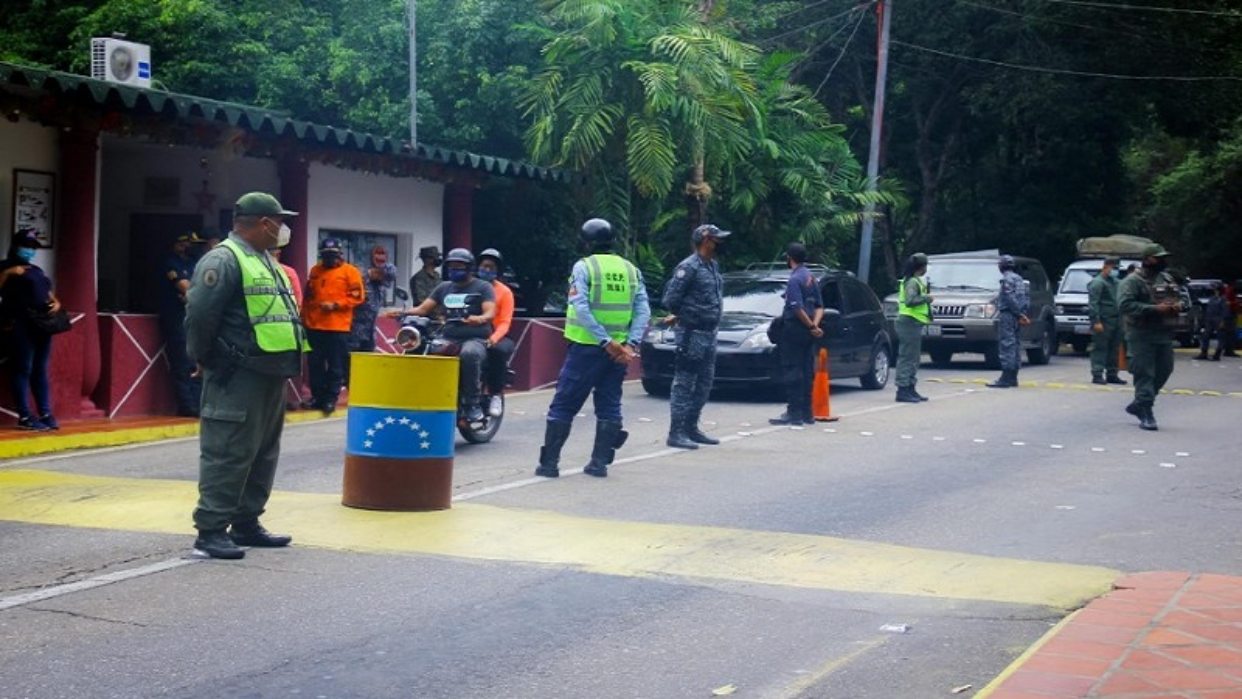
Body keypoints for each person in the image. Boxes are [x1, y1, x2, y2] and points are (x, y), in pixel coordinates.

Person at [185, 192, 306, 559]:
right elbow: (200, 316)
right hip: (236, 373)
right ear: (264, 223)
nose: (283, 229)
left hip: (269, 372)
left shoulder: (264, 259)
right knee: (228, 451)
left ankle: (246, 522)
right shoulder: (223, 259)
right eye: (280, 222)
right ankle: (211, 530)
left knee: (262, 452)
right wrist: (204, 357)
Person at [535, 218, 651, 478]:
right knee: (609, 405)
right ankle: (599, 464)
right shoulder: (630, 269)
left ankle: (549, 464)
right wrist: (629, 344)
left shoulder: (584, 266)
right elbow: (643, 310)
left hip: (586, 349)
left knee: (564, 405)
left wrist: (604, 341)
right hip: (619, 353)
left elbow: (580, 306)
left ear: (586, 243)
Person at [397, 248, 496, 422]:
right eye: (451, 266)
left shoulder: (483, 287)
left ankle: (472, 403)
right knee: (425, 350)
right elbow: (423, 309)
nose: (454, 269)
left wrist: (480, 318)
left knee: (469, 354)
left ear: (469, 268)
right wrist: (400, 312)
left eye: (459, 266)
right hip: (448, 336)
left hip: (475, 338)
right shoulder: (444, 287)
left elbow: (490, 311)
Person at [662, 224, 730, 448]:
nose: (720, 243)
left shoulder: (712, 265)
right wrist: (686, 315)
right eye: (716, 239)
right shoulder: (689, 267)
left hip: (710, 333)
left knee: (704, 383)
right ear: (706, 240)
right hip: (692, 333)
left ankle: (691, 428)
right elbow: (671, 299)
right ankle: (676, 432)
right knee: (685, 383)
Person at [0, 230, 61, 431]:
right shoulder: (5, 267)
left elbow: (49, 293)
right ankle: (25, 415)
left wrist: (56, 303)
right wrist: (8, 273)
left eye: (33, 247)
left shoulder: (36, 269)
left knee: (40, 369)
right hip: (19, 324)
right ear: (16, 246)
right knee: (22, 368)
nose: (29, 250)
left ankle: (45, 413)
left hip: (41, 324)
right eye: (26, 246)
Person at [1118, 243, 1181, 431]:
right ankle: (1146, 410)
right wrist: (1155, 309)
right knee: (1144, 372)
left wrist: (1178, 305)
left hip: (1163, 332)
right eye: (1158, 258)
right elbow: (1125, 305)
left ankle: (1139, 403)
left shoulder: (1166, 278)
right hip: (1141, 333)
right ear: (1147, 259)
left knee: (1165, 369)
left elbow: (1181, 297)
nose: (1162, 261)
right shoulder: (1132, 281)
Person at [302, 238, 364, 415]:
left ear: (340, 255)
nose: (329, 259)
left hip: (337, 327)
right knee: (315, 364)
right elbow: (309, 296)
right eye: (326, 255)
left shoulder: (350, 272)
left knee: (336, 365)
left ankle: (330, 399)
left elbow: (357, 296)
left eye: (333, 255)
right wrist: (304, 317)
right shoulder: (315, 271)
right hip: (314, 326)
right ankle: (317, 397)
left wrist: (336, 305)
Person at [770, 242, 824, 425]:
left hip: (795, 329)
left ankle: (794, 413)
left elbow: (797, 308)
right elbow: (819, 306)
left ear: (790, 258)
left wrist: (810, 326)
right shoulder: (810, 277)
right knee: (807, 370)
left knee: (793, 369)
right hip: (808, 331)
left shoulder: (795, 280)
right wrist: (815, 326)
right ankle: (807, 413)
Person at [159, 233, 204, 416]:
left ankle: (198, 403)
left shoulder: (194, 263)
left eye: (188, 243)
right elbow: (185, 287)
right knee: (182, 362)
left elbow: (203, 289)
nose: (186, 246)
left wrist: (194, 294)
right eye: (182, 243)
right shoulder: (171, 262)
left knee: (196, 361)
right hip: (176, 317)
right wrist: (194, 293)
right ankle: (187, 405)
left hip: (193, 316)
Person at [477, 248, 515, 418]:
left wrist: (493, 338)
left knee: (497, 351)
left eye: (490, 267)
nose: (486, 269)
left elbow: (505, 322)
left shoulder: (505, 292)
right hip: (471, 333)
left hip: (496, 335)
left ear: (497, 270)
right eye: (483, 266)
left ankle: (495, 395)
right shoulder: (470, 287)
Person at [894, 253, 933, 403]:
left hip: (913, 322)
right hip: (909, 322)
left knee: (914, 357)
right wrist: (927, 298)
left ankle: (910, 387)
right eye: (925, 266)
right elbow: (910, 301)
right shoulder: (912, 282)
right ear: (921, 267)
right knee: (907, 357)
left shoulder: (915, 280)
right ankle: (903, 389)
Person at [987, 254, 1030, 388]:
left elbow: (1009, 297)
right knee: (1015, 345)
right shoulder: (1019, 279)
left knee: (1007, 345)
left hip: (1008, 314)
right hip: (1017, 315)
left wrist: (1017, 313)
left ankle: (1006, 378)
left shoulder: (1006, 279)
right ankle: (1013, 377)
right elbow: (1025, 297)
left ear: (1001, 266)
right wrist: (1022, 314)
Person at [1087, 257, 1127, 385]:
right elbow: (1094, 303)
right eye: (1113, 268)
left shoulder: (1115, 282)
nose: (1115, 271)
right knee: (1100, 347)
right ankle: (1097, 373)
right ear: (1105, 267)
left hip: (1117, 319)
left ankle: (1112, 374)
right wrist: (1096, 321)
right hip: (1104, 320)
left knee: (1114, 348)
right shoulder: (1097, 283)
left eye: (1116, 268)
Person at [350, 245, 396, 353]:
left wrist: (381, 266)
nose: (381, 276)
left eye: (383, 256)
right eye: (377, 255)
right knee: (352, 358)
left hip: (370, 331)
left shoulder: (381, 281)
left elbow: (391, 273)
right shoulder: (358, 274)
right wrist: (368, 274)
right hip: (354, 330)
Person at [1195, 284, 1228, 361]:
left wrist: (1223, 321)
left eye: (1216, 290)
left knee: (1220, 337)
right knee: (1205, 336)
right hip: (1209, 319)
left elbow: (1224, 311)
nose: (1215, 291)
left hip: (1218, 319)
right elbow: (1208, 309)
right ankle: (1204, 353)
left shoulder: (1223, 299)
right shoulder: (1212, 298)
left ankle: (1217, 354)